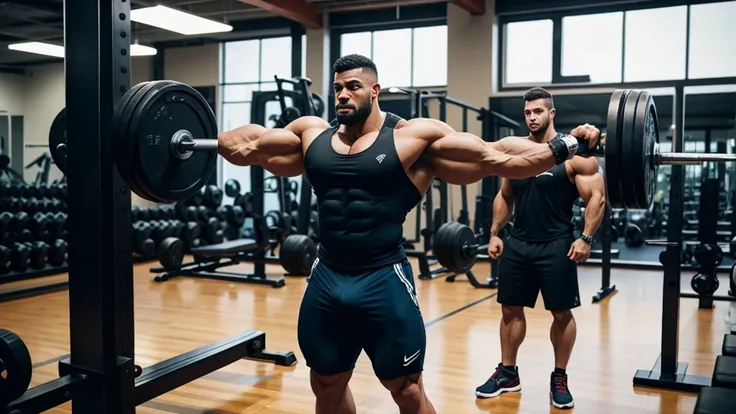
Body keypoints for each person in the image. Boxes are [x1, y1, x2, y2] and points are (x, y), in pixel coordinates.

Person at [218, 55, 600, 414]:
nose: (342, 95)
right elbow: (247, 144)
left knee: (407, 388)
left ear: (374, 91)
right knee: (326, 382)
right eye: (337, 88)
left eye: (352, 86)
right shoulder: (311, 136)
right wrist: (193, 142)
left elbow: (497, 155)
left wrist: (568, 143)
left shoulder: (414, 139)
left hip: (383, 278)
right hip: (326, 278)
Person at [474, 87, 606, 409]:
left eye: (538, 111)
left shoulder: (574, 156)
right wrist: (494, 232)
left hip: (556, 244)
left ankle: (559, 376)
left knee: (561, 313)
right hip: (519, 243)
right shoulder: (517, 153)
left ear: (552, 114)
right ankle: (508, 372)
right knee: (510, 310)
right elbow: (506, 195)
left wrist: (585, 237)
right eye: (528, 113)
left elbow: (597, 198)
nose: (532, 117)